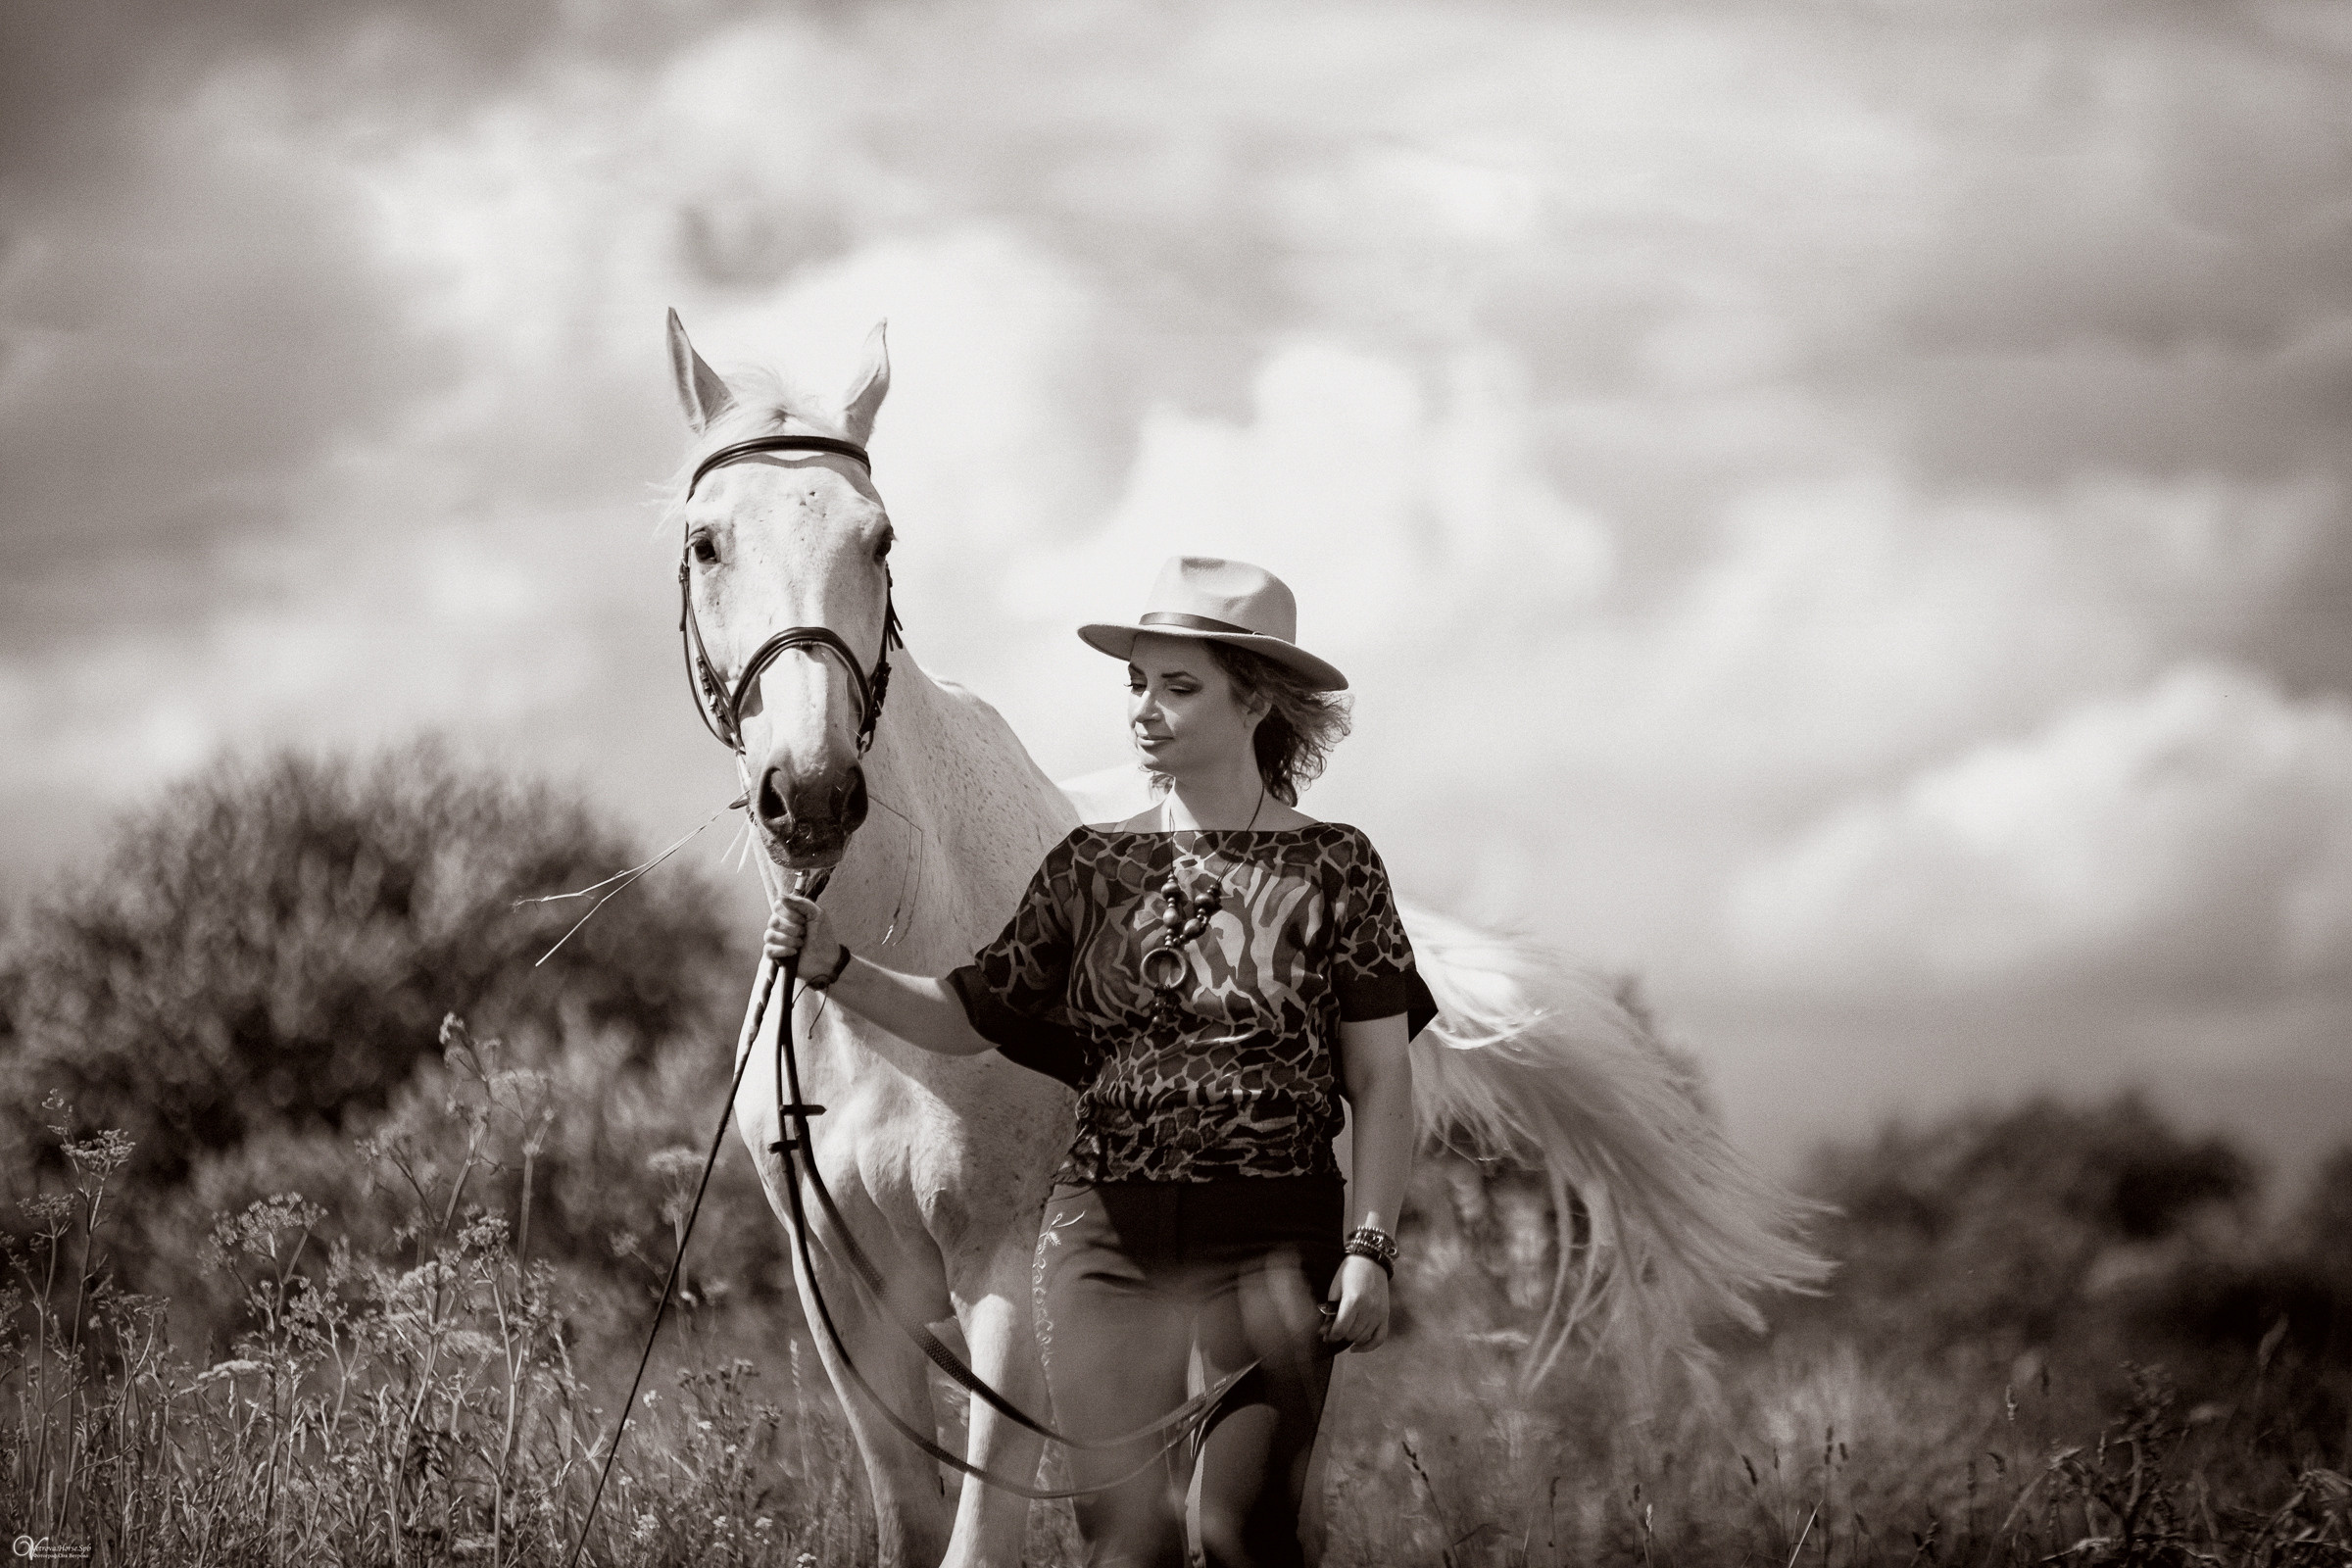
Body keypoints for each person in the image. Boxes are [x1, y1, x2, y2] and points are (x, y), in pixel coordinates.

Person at [764, 555, 1432, 1568]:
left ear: (1256, 698)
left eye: (1178, 686)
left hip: (1270, 1244)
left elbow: (1382, 1082)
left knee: (1245, 1535)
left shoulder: (1338, 868)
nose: (1145, 711)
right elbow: (965, 1014)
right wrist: (837, 967)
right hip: (1102, 1250)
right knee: (1128, 1550)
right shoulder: (1090, 867)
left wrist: (1371, 1247)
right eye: (1136, 684)